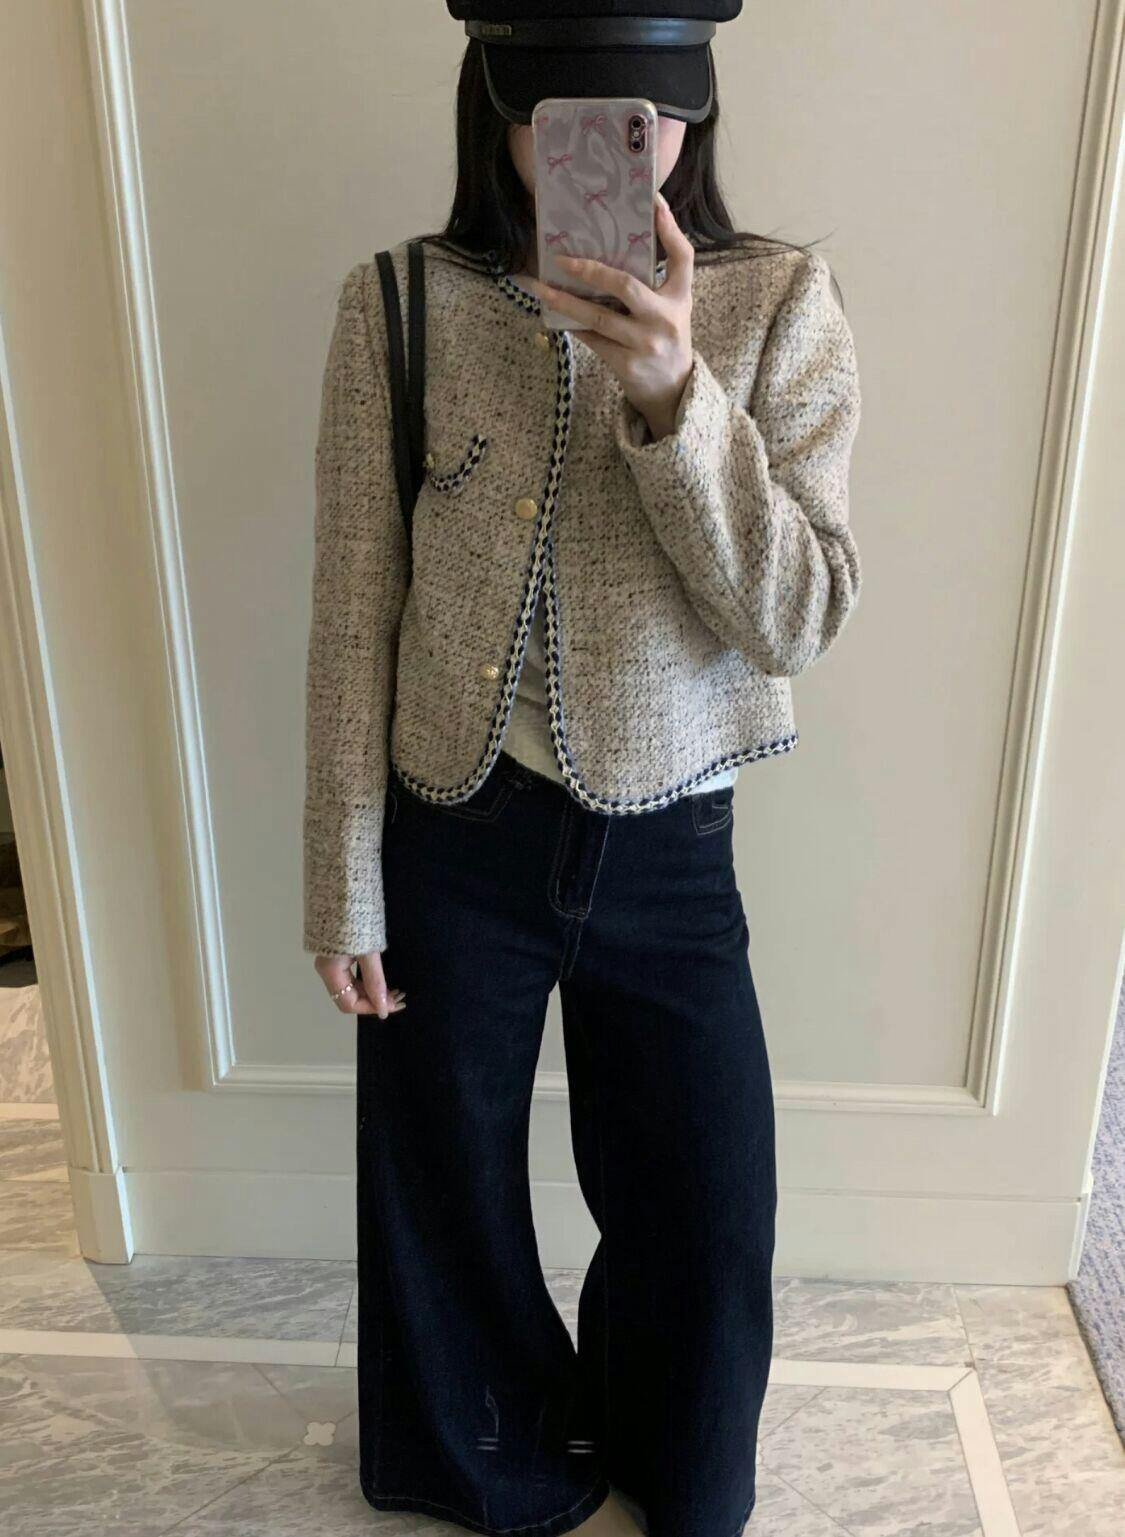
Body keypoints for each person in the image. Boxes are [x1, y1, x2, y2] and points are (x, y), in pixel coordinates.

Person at [302, 5, 863, 1535]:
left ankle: (666, 1448)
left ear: (697, 108)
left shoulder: (779, 301)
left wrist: (679, 398)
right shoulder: (399, 304)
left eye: (649, 115)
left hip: (669, 842)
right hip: (450, 827)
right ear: (492, 107)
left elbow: (798, 613)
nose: (624, 147)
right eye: (563, 117)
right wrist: (342, 874)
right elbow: (354, 608)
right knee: (441, 1181)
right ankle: (488, 1456)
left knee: (704, 1199)